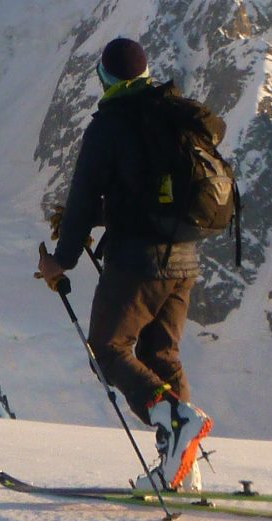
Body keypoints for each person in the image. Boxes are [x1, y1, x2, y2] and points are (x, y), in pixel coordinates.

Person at [36, 35, 215, 490]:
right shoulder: (172, 112)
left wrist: (61, 261)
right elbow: (143, 194)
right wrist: (104, 216)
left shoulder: (110, 125)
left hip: (138, 262)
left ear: (105, 78)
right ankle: (183, 469)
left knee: (109, 348)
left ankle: (174, 420)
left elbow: (81, 200)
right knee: (161, 353)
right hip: (186, 258)